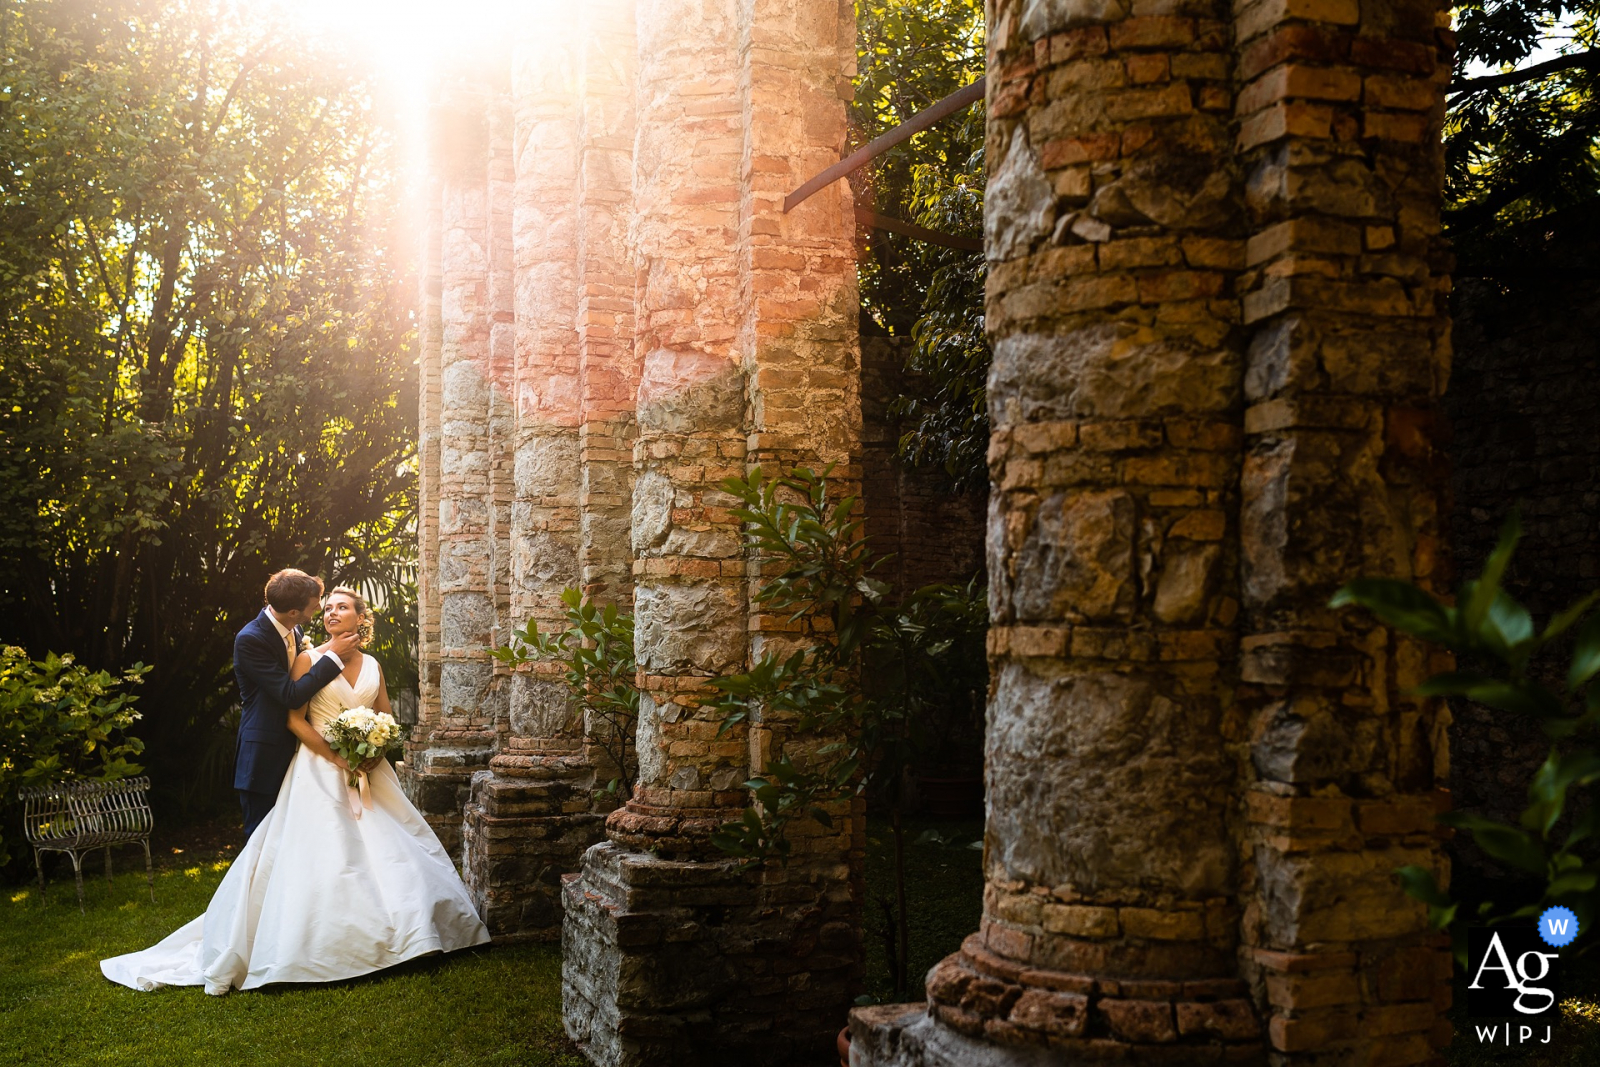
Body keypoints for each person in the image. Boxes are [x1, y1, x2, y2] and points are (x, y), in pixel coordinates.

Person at [101, 586, 489, 994]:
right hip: (319, 769)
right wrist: (339, 758)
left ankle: (412, 934)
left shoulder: (374, 663)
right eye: (328, 608)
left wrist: (376, 749)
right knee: (325, 853)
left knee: (394, 847)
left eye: (343, 607)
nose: (332, 613)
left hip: (370, 771)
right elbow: (295, 719)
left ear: (361, 617)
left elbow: (386, 715)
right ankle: (324, 946)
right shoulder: (309, 657)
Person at [232, 569, 359, 841]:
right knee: (261, 840)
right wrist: (334, 656)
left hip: (300, 754)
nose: (320, 608)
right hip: (264, 757)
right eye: (315, 605)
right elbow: (290, 694)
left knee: (293, 842)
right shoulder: (250, 639)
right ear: (293, 611)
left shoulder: (295, 629)